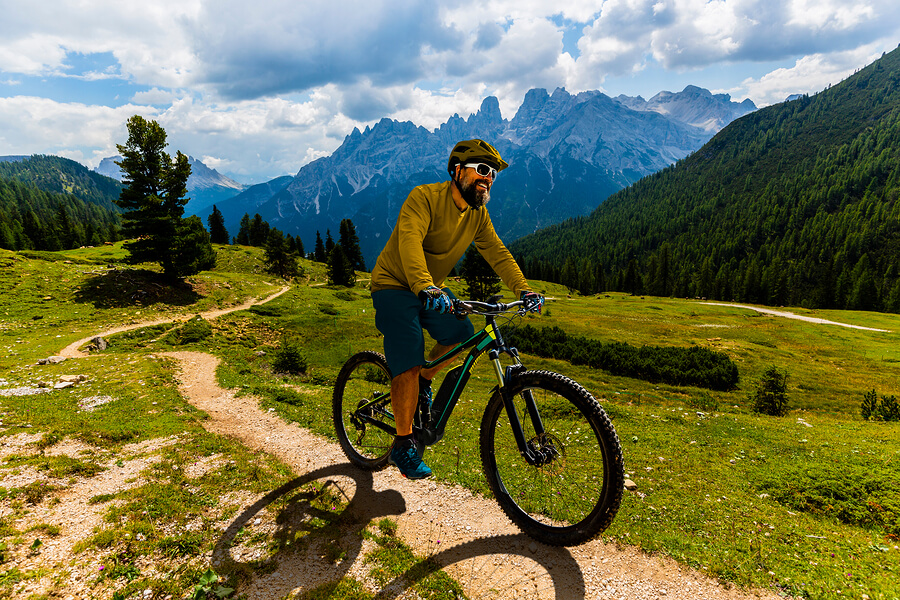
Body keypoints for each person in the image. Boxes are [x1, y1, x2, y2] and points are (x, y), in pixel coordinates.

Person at [369, 139, 544, 479]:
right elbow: (409, 241)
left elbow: (497, 253)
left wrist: (523, 289)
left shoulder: (477, 215)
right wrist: (425, 285)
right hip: (395, 285)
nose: (488, 178)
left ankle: (424, 379)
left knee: (462, 332)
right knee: (409, 354)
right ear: (457, 170)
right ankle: (402, 444)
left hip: (429, 288)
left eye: (492, 174)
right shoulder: (423, 198)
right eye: (482, 169)